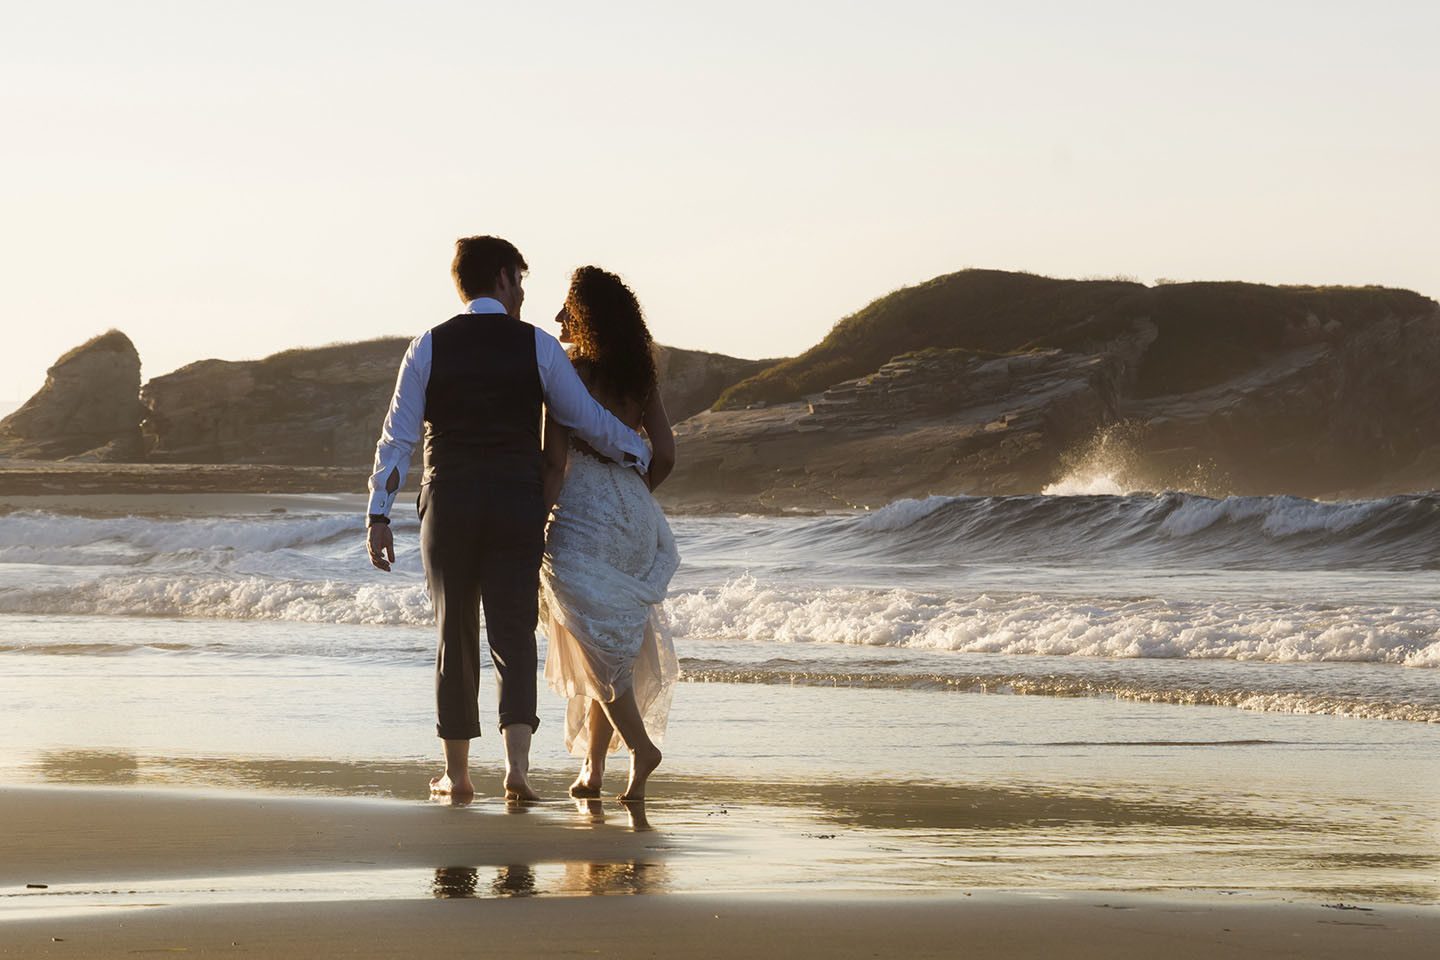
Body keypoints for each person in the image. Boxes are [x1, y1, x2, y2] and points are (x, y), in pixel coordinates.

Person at [365, 236, 651, 802]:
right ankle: (516, 772)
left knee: (455, 634)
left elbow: (396, 439)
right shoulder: (538, 348)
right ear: (501, 278)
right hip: (517, 504)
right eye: (519, 281)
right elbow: (587, 420)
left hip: (449, 503)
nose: (523, 294)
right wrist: (638, 453)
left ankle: (459, 775)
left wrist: (378, 514)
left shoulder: (427, 346)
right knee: (513, 631)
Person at [539, 266, 680, 803]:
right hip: (637, 514)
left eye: (567, 309)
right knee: (609, 644)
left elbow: (554, 464)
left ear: (586, 318)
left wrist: (534, 524)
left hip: (584, 518)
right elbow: (665, 454)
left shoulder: (567, 372)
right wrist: (637, 493)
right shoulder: (639, 377)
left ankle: (642, 748)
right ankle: (594, 769)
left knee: (594, 643)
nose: (556, 318)